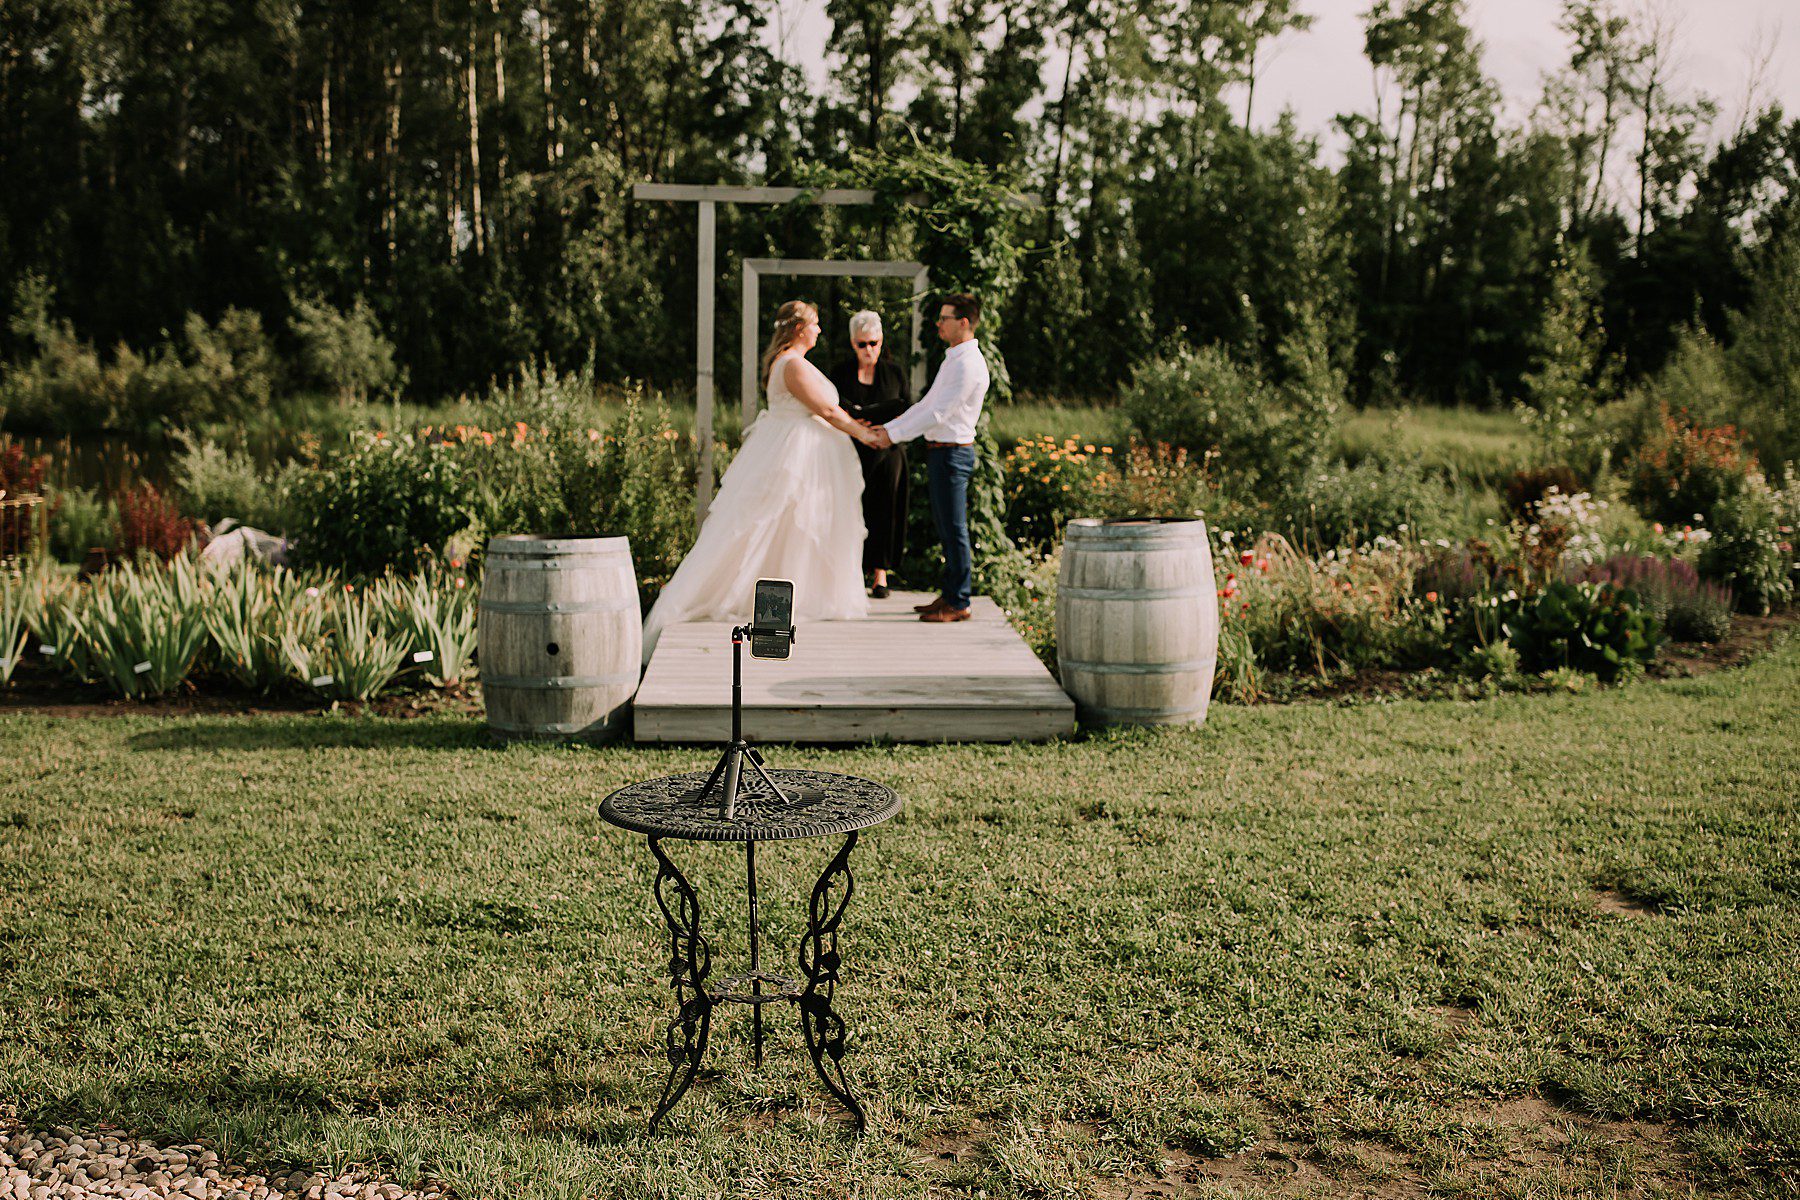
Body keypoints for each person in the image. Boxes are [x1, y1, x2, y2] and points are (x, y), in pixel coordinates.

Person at [641, 300, 883, 661]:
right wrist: (867, 436)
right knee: (776, 522)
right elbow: (827, 410)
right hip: (793, 454)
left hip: (795, 449)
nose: (819, 330)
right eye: (814, 324)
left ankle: (799, 591)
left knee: (793, 525)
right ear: (799, 329)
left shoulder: (787, 361)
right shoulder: (793, 365)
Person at [865, 294, 989, 623]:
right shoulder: (954, 359)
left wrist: (891, 436)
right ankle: (950, 594)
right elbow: (925, 406)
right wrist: (888, 429)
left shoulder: (967, 364)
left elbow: (937, 413)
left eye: (945, 318)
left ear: (964, 322)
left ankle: (959, 601)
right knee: (947, 529)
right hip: (942, 452)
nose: (938, 323)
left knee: (955, 529)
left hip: (953, 454)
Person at [828, 310, 912, 599]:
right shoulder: (840, 373)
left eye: (873, 343)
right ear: (853, 343)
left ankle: (880, 573)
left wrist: (886, 428)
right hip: (849, 449)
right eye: (862, 344)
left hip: (887, 450)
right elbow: (831, 409)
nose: (868, 350)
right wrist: (856, 425)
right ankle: (850, 569)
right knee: (850, 507)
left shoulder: (895, 373)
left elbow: (908, 409)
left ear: (881, 341)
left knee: (885, 506)